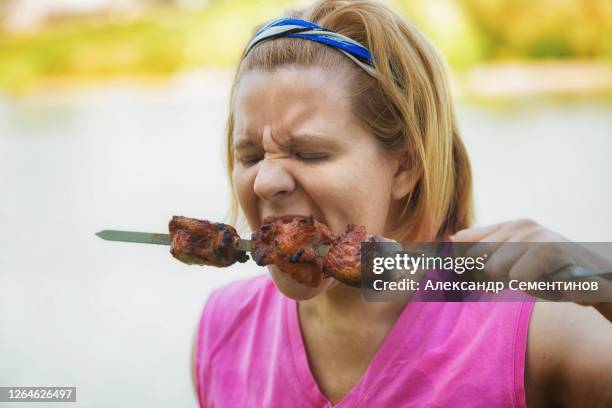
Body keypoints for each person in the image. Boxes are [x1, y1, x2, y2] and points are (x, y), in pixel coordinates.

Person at [192, 0, 612, 406]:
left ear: (404, 167)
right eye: (249, 156)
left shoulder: (533, 331)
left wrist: (602, 285)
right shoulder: (224, 327)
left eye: (310, 153)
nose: (265, 180)